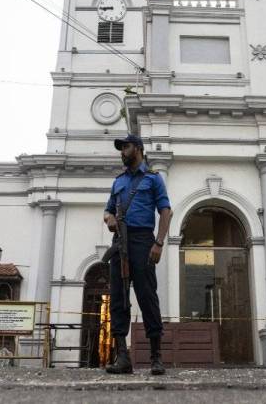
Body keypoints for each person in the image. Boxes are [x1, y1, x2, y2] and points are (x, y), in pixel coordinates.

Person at [103, 134, 172, 375]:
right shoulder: (118, 181)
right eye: (121, 148)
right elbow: (108, 211)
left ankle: (156, 357)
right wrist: (109, 219)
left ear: (139, 149)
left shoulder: (153, 179)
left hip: (143, 241)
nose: (122, 151)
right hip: (119, 241)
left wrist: (159, 243)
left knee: (147, 297)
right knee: (118, 298)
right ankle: (123, 357)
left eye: (126, 146)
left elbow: (166, 212)